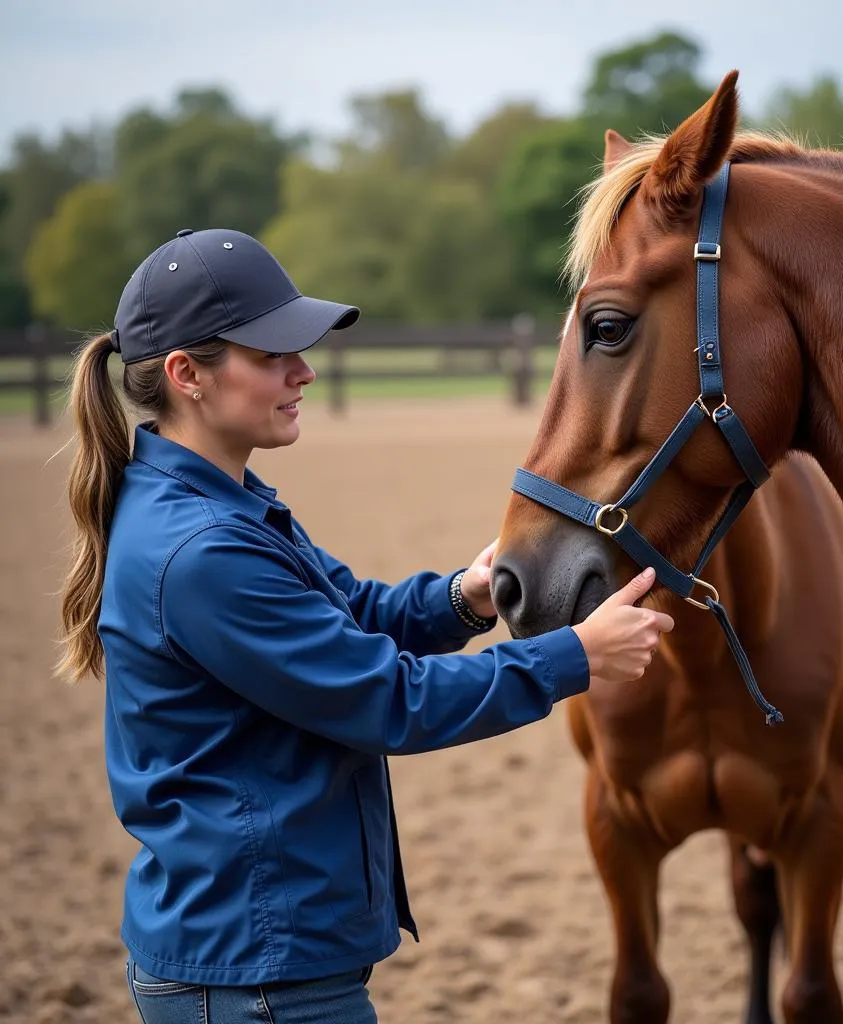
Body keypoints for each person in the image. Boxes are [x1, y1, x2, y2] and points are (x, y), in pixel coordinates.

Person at [56, 227, 674, 1024]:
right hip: (256, 980)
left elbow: (351, 617)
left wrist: (466, 595)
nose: (303, 370)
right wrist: (574, 657)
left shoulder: (222, 506)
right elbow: (388, 701)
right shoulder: (204, 550)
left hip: (260, 962)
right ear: (187, 376)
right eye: (272, 353)